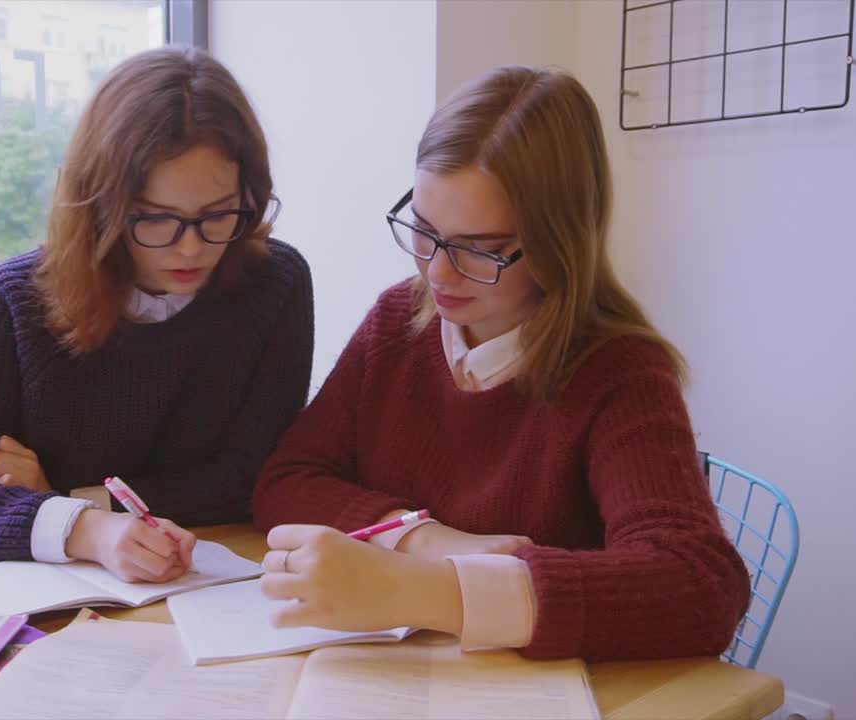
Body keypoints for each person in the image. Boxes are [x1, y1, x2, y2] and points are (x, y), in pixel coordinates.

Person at [251, 65, 749, 661]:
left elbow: (701, 588)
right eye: (425, 231)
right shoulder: (399, 321)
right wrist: (422, 540)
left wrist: (436, 593)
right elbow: (287, 479)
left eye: (480, 250)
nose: (437, 273)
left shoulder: (619, 371)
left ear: (559, 242)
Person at [0, 46, 314, 584]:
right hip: (57, 603)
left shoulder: (275, 283)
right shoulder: (17, 297)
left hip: (215, 583)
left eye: (218, 215)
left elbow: (258, 475)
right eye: (154, 219)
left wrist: (67, 498)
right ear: (101, 203)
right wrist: (89, 531)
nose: (191, 250)